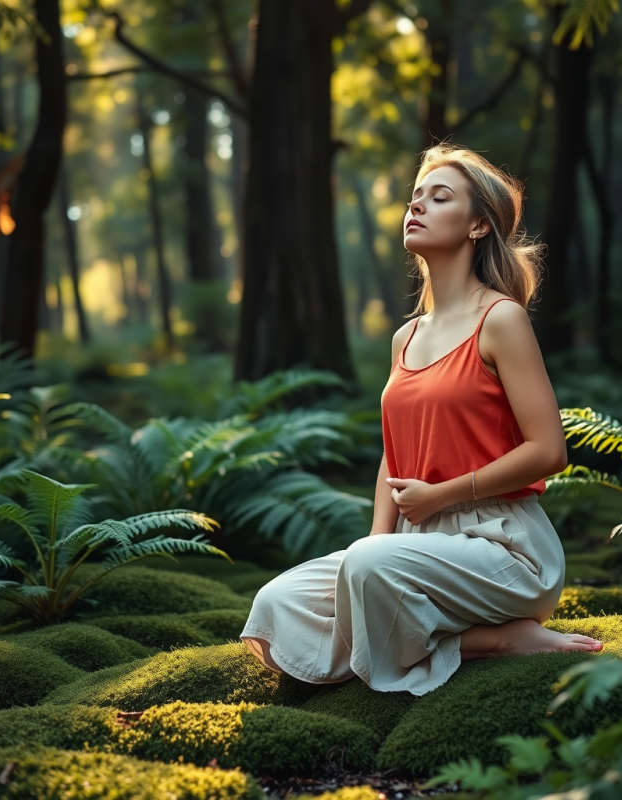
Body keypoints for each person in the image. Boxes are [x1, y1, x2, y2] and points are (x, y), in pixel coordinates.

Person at [239, 142, 603, 696]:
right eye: (415, 198)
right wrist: (373, 548)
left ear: (479, 224)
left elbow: (548, 450)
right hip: (411, 546)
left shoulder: (500, 319)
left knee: (367, 569)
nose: (417, 207)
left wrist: (440, 498)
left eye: (439, 197)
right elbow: (394, 455)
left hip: (500, 545)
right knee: (274, 607)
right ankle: (459, 635)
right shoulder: (405, 337)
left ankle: (497, 638)